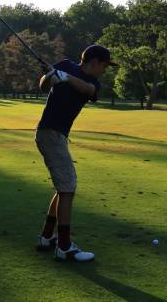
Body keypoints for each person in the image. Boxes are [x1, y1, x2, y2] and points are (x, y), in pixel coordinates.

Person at [35, 45, 118, 262]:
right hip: (50, 134)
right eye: (105, 66)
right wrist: (50, 76)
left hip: (56, 135)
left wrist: (66, 78)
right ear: (95, 62)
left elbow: (89, 90)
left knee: (64, 189)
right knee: (68, 189)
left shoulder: (92, 82)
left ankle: (47, 237)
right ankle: (63, 246)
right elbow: (44, 87)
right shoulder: (64, 65)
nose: (105, 71)